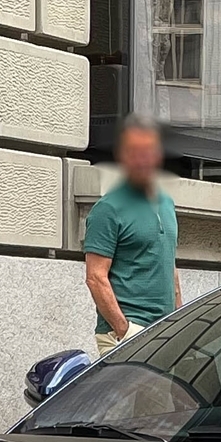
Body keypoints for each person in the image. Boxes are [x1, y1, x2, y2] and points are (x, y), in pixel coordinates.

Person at [82, 116, 180, 353]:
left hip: (165, 333)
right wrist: (125, 331)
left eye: (148, 151)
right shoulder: (108, 209)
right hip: (126, 334)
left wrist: (179, 322)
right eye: (135, 151)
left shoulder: (166, 204)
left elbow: (170, 267)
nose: (142, 159)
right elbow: (95, 277)